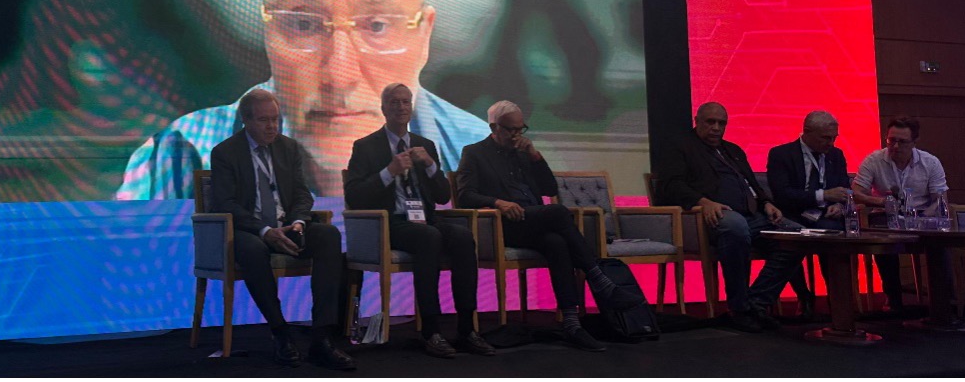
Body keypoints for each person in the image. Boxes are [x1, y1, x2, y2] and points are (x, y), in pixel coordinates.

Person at [118, 0, 489, 200]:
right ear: (267, 32)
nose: (339, 76)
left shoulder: (481, 158)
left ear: (424, 36)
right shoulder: (181, 157)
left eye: (377, 26)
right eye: (303, 24)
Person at [454, 100, 645, 352]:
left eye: (521, 129)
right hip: (504, 224)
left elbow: (549, 188)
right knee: (558, 211)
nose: (517, 135)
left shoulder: (524, 154)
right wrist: (498, 203)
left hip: (535, 220)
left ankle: (572, 323)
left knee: (557, 242)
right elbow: (465, 195)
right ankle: (600, 280)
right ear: (494, 127)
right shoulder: (474, 152)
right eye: (511, 130)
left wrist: (535, 157)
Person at [344, 83, 495, 359]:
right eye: (394, 102)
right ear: (383, 108)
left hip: (425, 219)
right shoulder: (366, 146)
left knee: (462, 236)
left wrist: (430, 165)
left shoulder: (425, 145)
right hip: (390, 223)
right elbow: (354, 195)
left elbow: (442, 196)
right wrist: (389, 171)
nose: (401, 107)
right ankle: (431, 330)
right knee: (429, 237)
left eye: (405, 102)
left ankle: (467, 328)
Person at [208, 88, 354, 370]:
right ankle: (280, 332)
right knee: (251, 249)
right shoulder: (225, 152)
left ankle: (321, 338)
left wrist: (298, 222)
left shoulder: (289, 148)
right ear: (246, 121)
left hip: (287, 225)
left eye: (275, 119)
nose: (272, 126)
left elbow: (302, 194)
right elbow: (224, 204)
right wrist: (265, 230)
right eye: (264, 120)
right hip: (250, 231)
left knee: (328, 234)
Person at [655, 102, 804, 332]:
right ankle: (739, 308)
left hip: (752, 215)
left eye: (721, 123)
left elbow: (752, 185)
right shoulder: (680, 147)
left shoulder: (733, 151)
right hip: (709, 217)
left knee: (796, 235)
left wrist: (766, 203)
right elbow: (670, 185)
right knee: (735, 226)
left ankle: (755, 303)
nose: (716, 128)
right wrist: (703, 202)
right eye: (710, 122)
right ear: (697, 121)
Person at [852, 115, 950, 312]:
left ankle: (943, 303)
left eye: (902, 142)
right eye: (891, 140)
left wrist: (925, 218)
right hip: (885, 214)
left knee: (940, 242)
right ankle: (893, 298)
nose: (895, 146)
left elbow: (940, 199)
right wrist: (882, 201)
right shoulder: (874, 160)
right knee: (881, 239)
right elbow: (856, 193)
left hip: (921, 215)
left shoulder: (930, 162)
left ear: (914, 142)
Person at [766, 110, 851, 317]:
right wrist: (823, 195)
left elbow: (845, 188)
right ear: (807, 132)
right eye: (825, 138)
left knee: (834, 235)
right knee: (791, 239)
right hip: (792, 214)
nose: (830, 143)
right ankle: (803, 295)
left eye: (834, 138)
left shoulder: (836, 155)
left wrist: (839, 205)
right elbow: (782, 194)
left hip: (825, 215)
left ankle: (837, 300)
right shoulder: (781, 154)